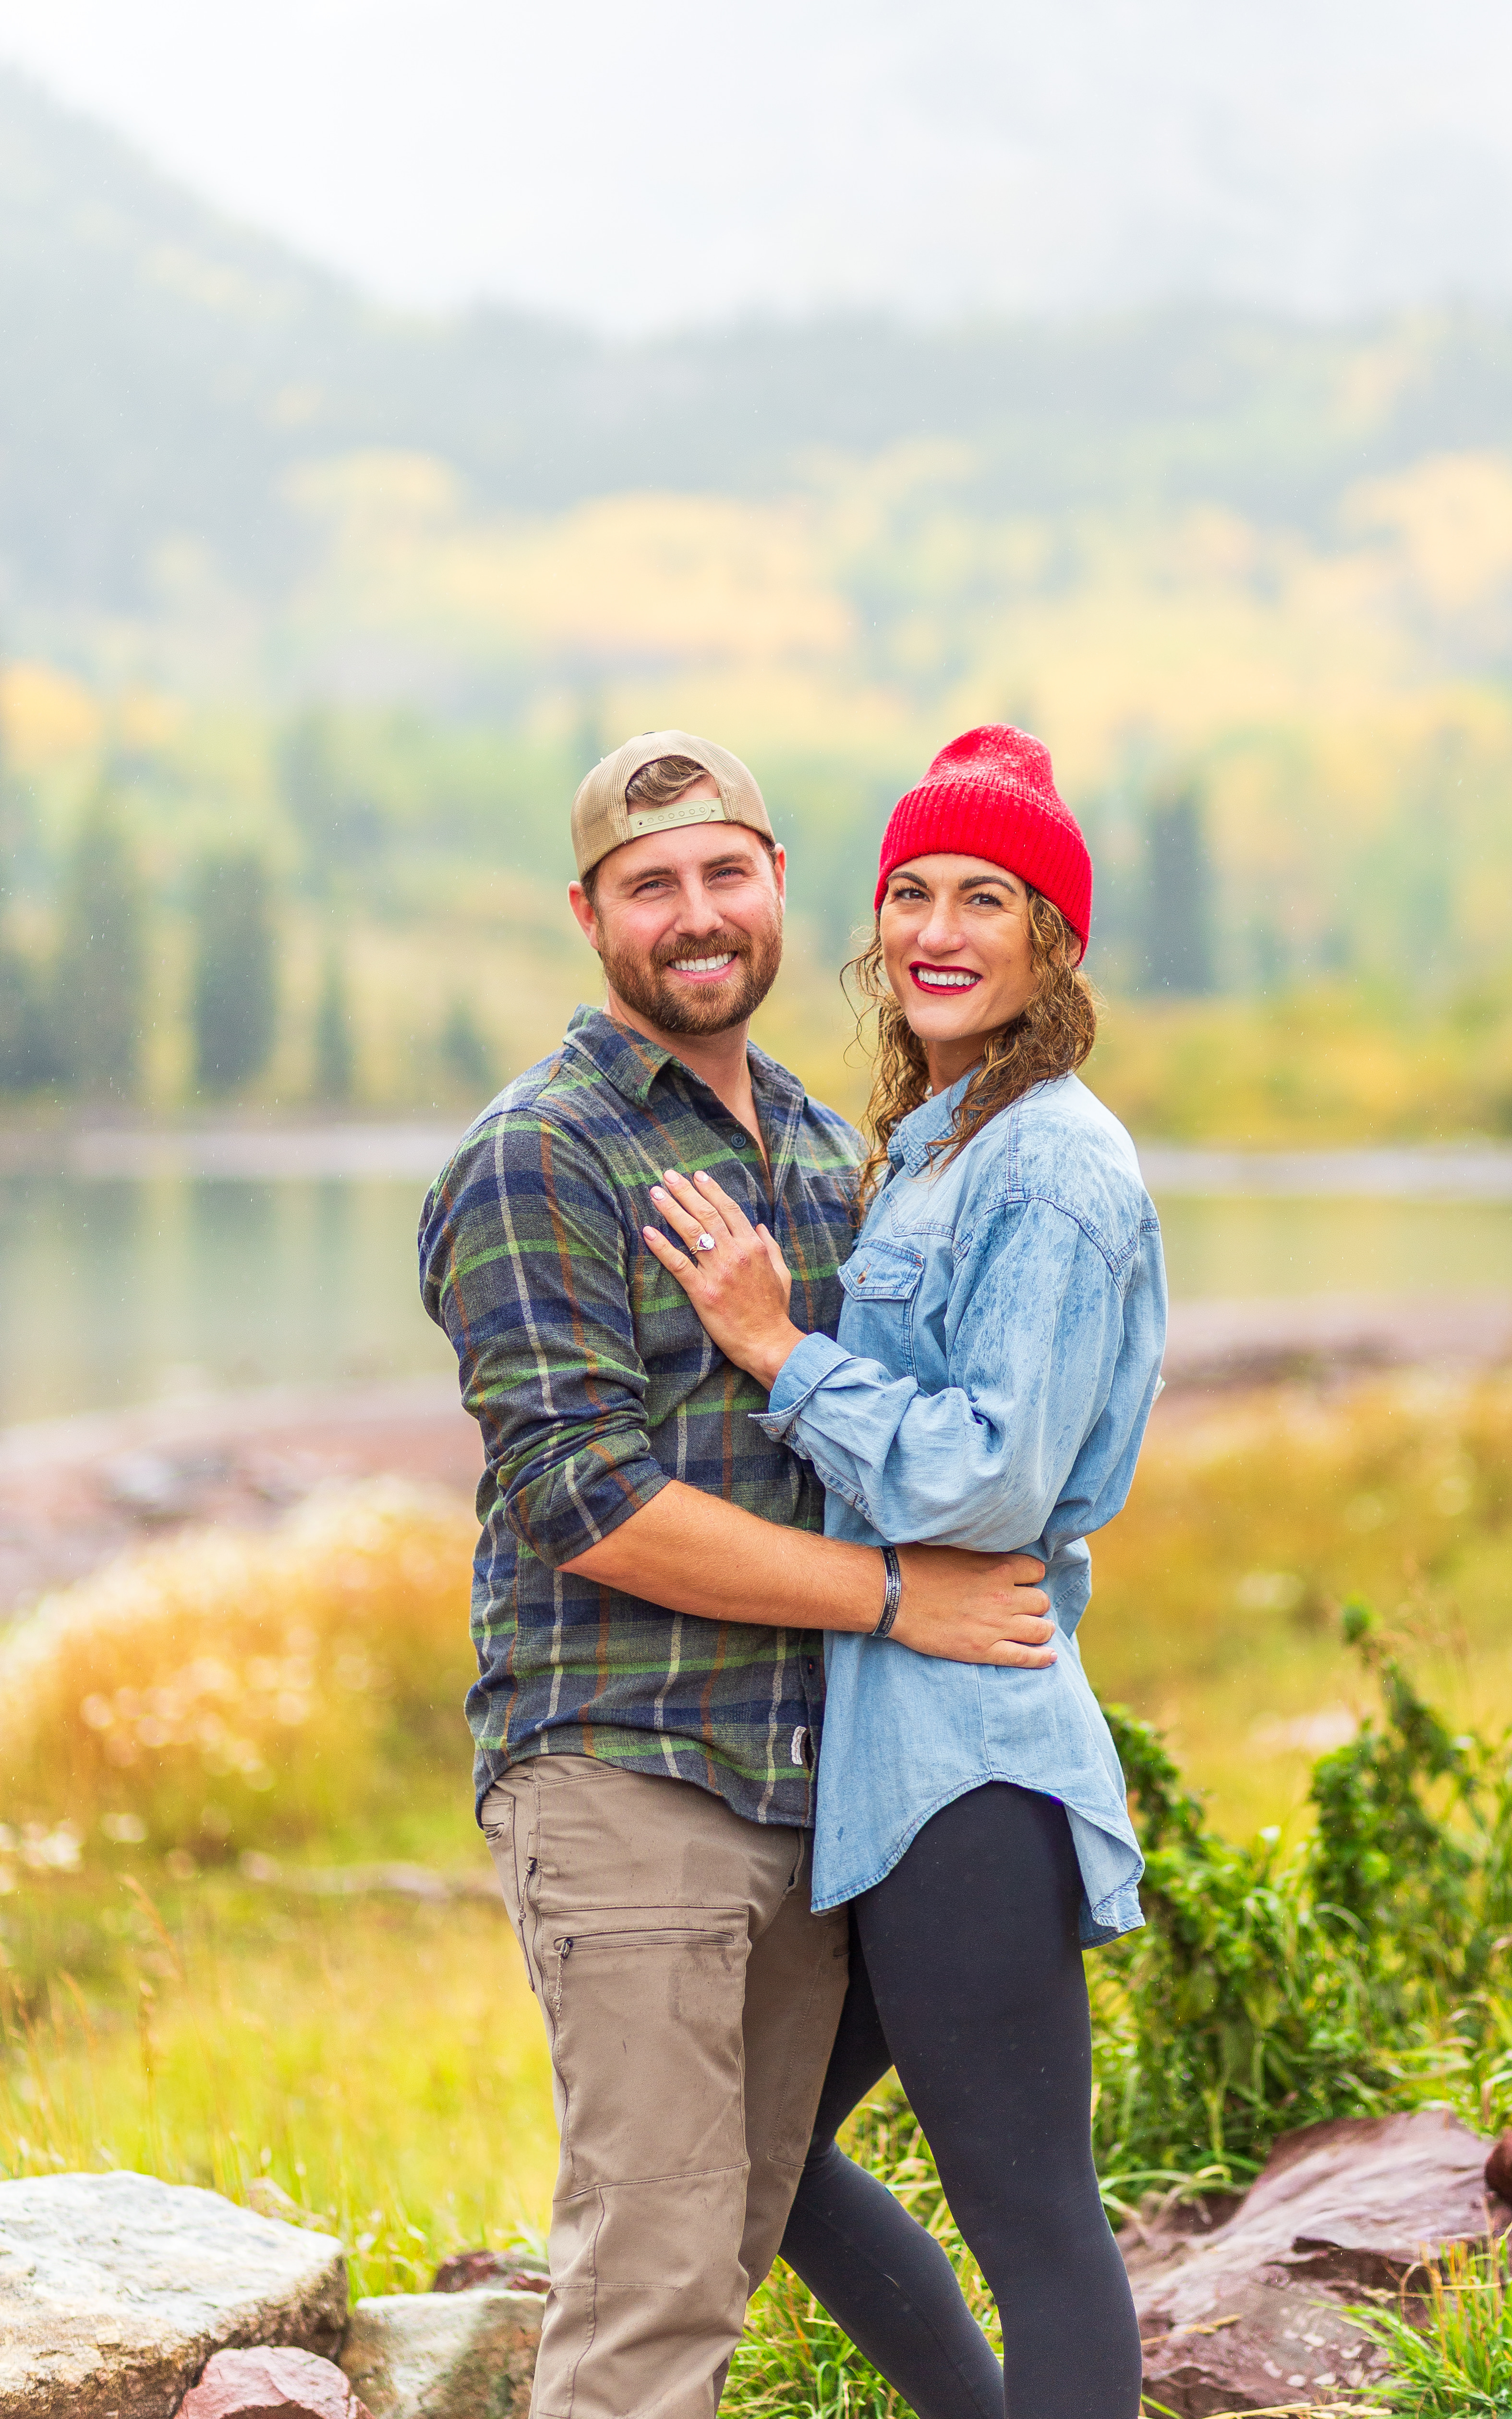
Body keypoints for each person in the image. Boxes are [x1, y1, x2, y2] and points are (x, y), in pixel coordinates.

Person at [418, 729, 1059, 2419]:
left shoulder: (821, 1144)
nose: (693, 916)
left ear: (777, 885)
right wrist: (904, 1602)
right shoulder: (538, 1155)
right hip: (629, 1777)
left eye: (722, 874)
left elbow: (887, 1429)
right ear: (590, 914)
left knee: (735, 2234)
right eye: (650, 888)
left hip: (816, 1795)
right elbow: (585, 1501)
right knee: (653, 2288)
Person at [641, 723, 1167, 2419]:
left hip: (976, 1770)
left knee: (1035, 2221)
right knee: (766, 2158)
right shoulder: (945, 1139)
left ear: (1050, 942)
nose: (942, 930)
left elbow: (997, 1475)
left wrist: (779, 1352)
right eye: (914, 895)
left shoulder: (1056, 1165)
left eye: (988, 899)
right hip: (893, 1760)